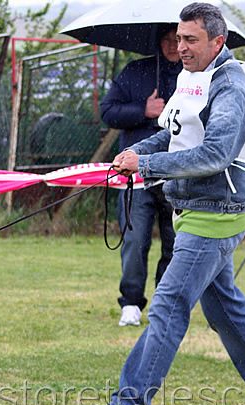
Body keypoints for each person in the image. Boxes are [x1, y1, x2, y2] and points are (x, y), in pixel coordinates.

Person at [86, 2, 245, 405]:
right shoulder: (195, 77)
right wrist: (139, 151)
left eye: (190, 39)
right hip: (193, 208)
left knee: (167, 305)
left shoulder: (231, 88)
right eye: (179, 38)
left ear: (217, 42)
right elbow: (176, 133)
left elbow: (217, 154)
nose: (180, 47)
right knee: (225, 310)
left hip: (215, 213)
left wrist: (146, 168)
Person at [101, 26, 182, 327]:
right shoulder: (135, 71)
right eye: (168, 40)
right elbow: (108, 112)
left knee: (175, 243)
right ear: (158, 41)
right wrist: (143, 110)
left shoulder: (195, 78)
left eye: (180, 39)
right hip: (136, 178)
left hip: (177, 173)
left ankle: (165, 302)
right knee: (134, 240)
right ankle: (131, 302)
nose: (174, 46)